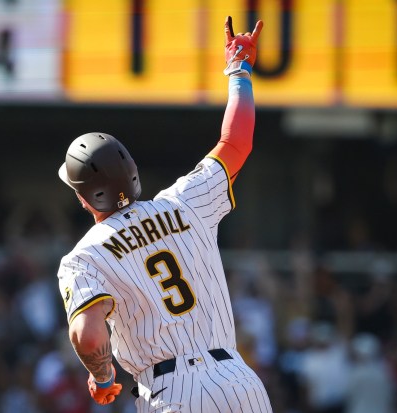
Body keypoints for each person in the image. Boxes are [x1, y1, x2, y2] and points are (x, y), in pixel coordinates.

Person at [57, 16, 272, 413]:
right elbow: (236, 141)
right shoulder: (185, 199)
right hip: (241, 382)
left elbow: (87, 337)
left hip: (175, 392)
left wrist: (103, 377)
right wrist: (238, 68)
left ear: (84, 198)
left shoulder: (84, 258)